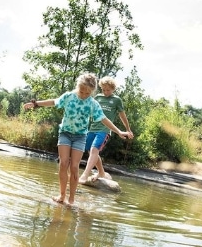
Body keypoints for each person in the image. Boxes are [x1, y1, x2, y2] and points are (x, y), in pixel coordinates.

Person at [23, 72, 132, 206]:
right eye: (82, 91)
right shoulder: (69, 96)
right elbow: (54, 102)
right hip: (65, 133)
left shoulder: (92, 103)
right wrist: (36, 104)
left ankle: (72, 199)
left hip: (80, 136)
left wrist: (119, 131)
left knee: (74, 167)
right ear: (78, 87)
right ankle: (62, 195)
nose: (84, 95)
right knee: (63, 164)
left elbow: (104, 119)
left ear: (91, 92)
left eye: (87, 93)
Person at [78, 76, 132, 184]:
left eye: (108, 90)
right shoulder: (98, 97)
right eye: (103, 89)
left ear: (113, 89)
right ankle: (101, 173)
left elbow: (122, 115)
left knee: (94, 150)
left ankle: (85, 174)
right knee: (91, 151)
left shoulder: (116, 100)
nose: (106, 92)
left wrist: (128, 129)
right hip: (92, 128)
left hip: (105, 130)